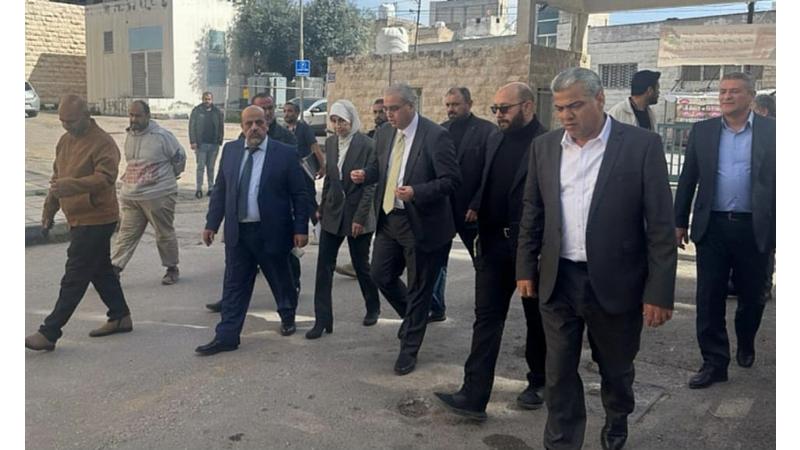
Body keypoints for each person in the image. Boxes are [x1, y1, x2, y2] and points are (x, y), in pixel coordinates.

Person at [516, 67, 677, 450]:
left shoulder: (641, 146)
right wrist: (525, 267)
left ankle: (617, 417)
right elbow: (533, 210)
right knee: (558, 371)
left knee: (616, 368)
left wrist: (659, 291)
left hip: (618, 279)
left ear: (600, 99)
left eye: (575, 106)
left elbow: (659, 225)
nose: (566, 115)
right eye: (560, 108)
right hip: (559, 278)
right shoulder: (545, 147)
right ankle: (562, 441)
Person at [434, 82, 548, 421]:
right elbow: (487, 179)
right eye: (495, 109)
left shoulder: (547, 144)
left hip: (529, 249)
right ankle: (473, 395)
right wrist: (476, 204)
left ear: (527, 107)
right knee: (486, 320)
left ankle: (539, 382)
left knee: (536, 320)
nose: (498, 114)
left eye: (505, 109)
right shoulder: (495, 138)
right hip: (492, 244)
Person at [674, 72, 776, 389]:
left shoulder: (774, 132)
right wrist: (679, 221)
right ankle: (714, 362)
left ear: (751, 96)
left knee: (753, 295)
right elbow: (688, 178)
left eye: (734, 91)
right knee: (709, 297)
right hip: (713, 227)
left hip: (755, 227)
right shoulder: (703, 131)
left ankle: (745, 339)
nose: (726, 96)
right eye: (722, 91)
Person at [351, 83, 460, 375]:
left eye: (394, 109)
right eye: (386, 109)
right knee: (380, 274)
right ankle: (414, 319)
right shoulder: (385, 134)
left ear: (411, 106)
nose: (388, 114)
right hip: (390, 218)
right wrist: (366, 175)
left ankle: (409, 349)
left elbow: (451, 180)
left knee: (419, 286)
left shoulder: (435, 136)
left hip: (422, 222)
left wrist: (417, 192)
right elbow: (381, 168)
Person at [195, 105, 310, 355]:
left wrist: (301, 228)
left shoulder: (284, 153)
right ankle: (227, 336)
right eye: (249, 123)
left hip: (272, 231)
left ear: (267, 124)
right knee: (234, 285)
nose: (254, 128)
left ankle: (287, 315)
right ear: (242, 127)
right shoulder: (231, 151)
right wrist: (211, 223)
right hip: (239, 233)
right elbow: (221, 190)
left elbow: (300, 194)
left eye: (259, 122)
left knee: (281, 279)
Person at [26, 95, 133, 351]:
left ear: (86, 115)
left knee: (75, 275)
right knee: (100, 271)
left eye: (71, 121)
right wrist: (49, 210)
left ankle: (50, 332)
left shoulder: (103, 142)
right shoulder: (65, 141)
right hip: (76, 217)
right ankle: (120, 316)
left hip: (98, 218)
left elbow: (106, 178)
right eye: (62, 121)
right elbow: (57, 180)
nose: (66, 126)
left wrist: (71, 186)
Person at [306, 100, 381, 339]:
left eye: (342, 121)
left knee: (361, 265)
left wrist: (360, 218)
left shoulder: (367, 144)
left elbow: (370, 186)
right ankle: (322, 320)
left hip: (358, 214)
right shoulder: (330, 143)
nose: (338, 126)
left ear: (352, 121)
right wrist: (321, 206)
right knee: (324, 267)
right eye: (334, 121)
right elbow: (330, 178)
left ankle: (373, 306)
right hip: (333, 213)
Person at [428, 86, 498, 323]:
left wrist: (477, 204)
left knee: (482, 262)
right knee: (437, 261)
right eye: (448, 105)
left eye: (456, 104)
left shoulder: (487, 131)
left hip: (471, 211)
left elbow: (490, 173)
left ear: (469, 104)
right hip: (443, 210)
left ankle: (487, 308)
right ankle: (436, 307)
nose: (451, 109)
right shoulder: (440, 131)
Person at [111, 100, 186, 285]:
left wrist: (169, 177)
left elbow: (179, 157)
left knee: (163, 233)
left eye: (137, 116)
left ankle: (171, 268)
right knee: (126, 234)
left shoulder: (162, 136)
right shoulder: (130, 135)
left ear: (148, 116)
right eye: (131, 115)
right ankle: (114, 270)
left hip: (158, 195)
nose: (133, 119)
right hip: (132, 195)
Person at [188, 91, 224, 199]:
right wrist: (193, 141)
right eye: (205, 99)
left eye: (209, 99)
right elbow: (192, 126)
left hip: (213, 144)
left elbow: (221, 126)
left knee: (211, 167)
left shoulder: (217, 112)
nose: (207, 101)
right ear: (202, 99)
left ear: (212, 100)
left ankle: (211, 188)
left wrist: (220, 140)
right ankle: (199, 189)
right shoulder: (197, 111)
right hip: (201, 144)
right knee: (200, 167)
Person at [282, 101, 325, 178]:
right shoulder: (283, 130)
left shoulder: (304, 128)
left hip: (303, 170)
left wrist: (322, 166)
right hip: (287, 170)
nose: (286, 114)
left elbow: (315, 148)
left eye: (289, 111)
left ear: (297, 113)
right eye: (284, 111)